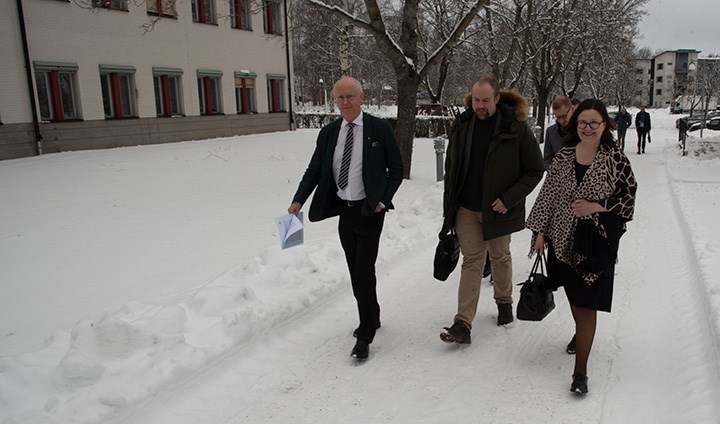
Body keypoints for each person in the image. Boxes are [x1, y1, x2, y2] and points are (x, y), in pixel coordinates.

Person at [526, 99, 637, 394]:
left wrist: (596, 206)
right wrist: (539, 232)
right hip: (562, 239)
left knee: (588, 305)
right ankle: (580, 334)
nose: (588, 128)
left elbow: (628, 199)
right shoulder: (562, 157)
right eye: (583, 123)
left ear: (604, 126)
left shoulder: (615, 159)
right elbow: (548, 196)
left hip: (595, 244)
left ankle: (581, 373)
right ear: (576, 126)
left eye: (594, 123)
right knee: (575, 299)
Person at [288, 76, 403, 360]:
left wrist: (382, 201)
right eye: (340, 98)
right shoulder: (329, 133)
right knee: (357, 270)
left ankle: (365, 334)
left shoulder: (379, 129)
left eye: (350, 96)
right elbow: (314, 170)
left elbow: (397, 169)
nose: (345, 102)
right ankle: (372, 314)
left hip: (369, 211)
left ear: (361, 97)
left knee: (363, 269)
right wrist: (297, 201)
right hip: (344, 211)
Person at [439, 73, 544, 344]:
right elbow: (451, 169)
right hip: (467, 208)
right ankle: (463, 323)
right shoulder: (462, 125)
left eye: (486, 100)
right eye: (476, 100)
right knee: (472, 261)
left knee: (500, 256)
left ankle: (504, 303)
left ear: (497, 99)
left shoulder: (516, 128)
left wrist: (509, 199)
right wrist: (449, 208)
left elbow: (535, 169)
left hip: (500, 210)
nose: (480, 105)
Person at [544, 96, 575, 169]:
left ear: (572, 109)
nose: (561, 121)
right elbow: (547, 159)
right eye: (558, 117)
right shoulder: (550, 132)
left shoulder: (583, 129)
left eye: (564, 116)